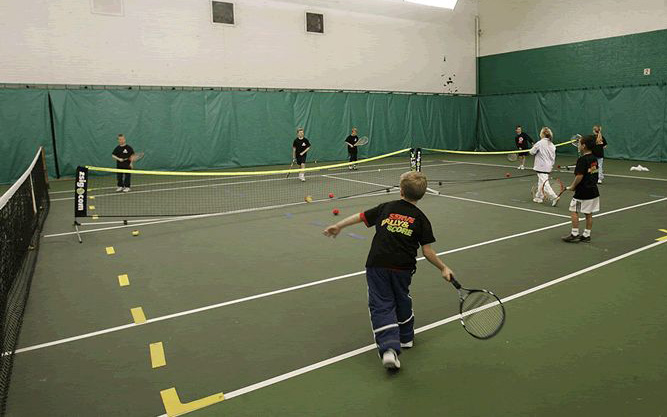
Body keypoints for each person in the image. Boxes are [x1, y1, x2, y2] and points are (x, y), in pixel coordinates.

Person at [322, 171, 454, 370]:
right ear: (422, 194)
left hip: (378, 264)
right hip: (403, 268)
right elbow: (427, 251)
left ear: (401, 190)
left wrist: (339, 225)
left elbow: (360, 217)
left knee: (381, 304)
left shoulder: (387, 208)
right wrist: (443, 267)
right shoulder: (421, 219)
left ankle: (389, 349)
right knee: (401, 297)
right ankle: (406, 337)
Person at [562, 135, 600, 243]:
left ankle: (574, 234)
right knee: (588, 213)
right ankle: (586, 235)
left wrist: (573, 186)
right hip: (593, 190)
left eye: (579, 143)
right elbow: (593, 173)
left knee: (573, 210)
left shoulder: (582, 160)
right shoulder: (594, 159)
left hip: (583, 192)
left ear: (583, 146)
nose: (578, 145)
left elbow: (579, 176)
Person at [529, 127, 559, 206]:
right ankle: (539, 197)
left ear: (542, 134)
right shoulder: (552, 145)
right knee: (541, 182)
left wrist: (530, 150)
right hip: (548, 167)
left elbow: (532, 152)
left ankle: (554, 197)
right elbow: (553, 158)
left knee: (545, 183)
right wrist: (551, 166)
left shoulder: (539, 143)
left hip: (541, 167)